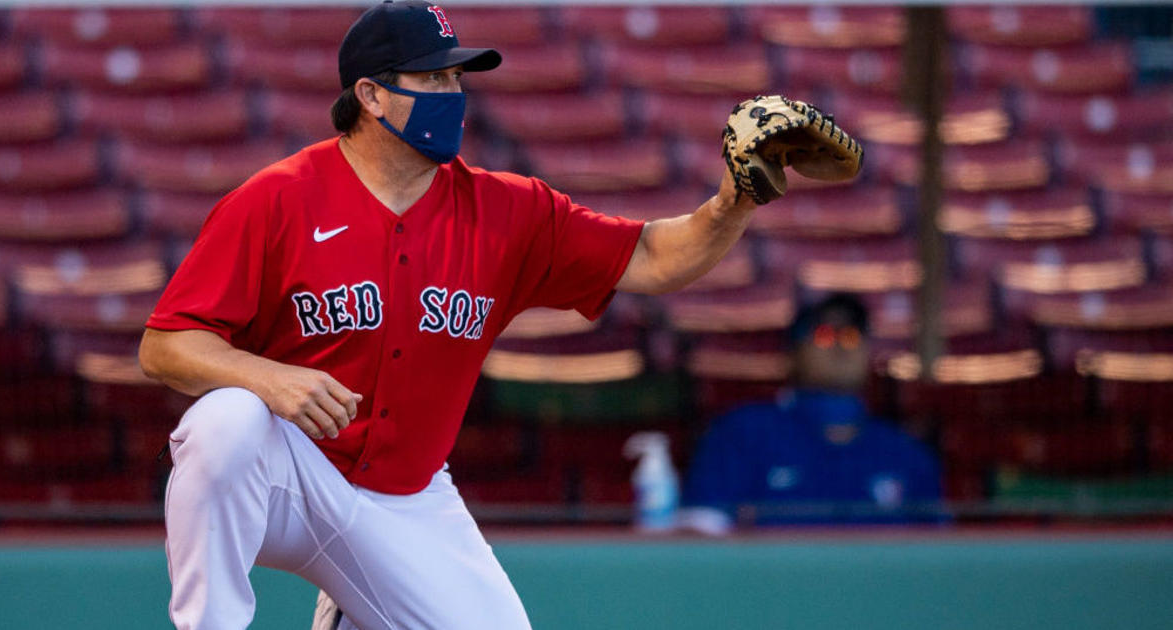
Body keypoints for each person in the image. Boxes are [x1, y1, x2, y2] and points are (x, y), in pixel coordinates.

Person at [137, 2, 760, 628]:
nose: (452, 94)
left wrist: (736, 199)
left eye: (456, 79)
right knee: (226, 418)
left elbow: (652, 257)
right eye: (432, 78)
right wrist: (267, 379)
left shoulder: (506, 211)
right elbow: (165, 347)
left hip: (408, 496)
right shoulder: (277, 199)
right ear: (371, 96)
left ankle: (354, 608)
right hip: (289, 475)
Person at [680, 293, 944, 534]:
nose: (841, 347)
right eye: (825, 334)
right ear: (794, 352)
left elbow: (940, 558)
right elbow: (699, 538)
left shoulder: (904, 452)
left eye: (852, 335)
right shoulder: (743, 433)